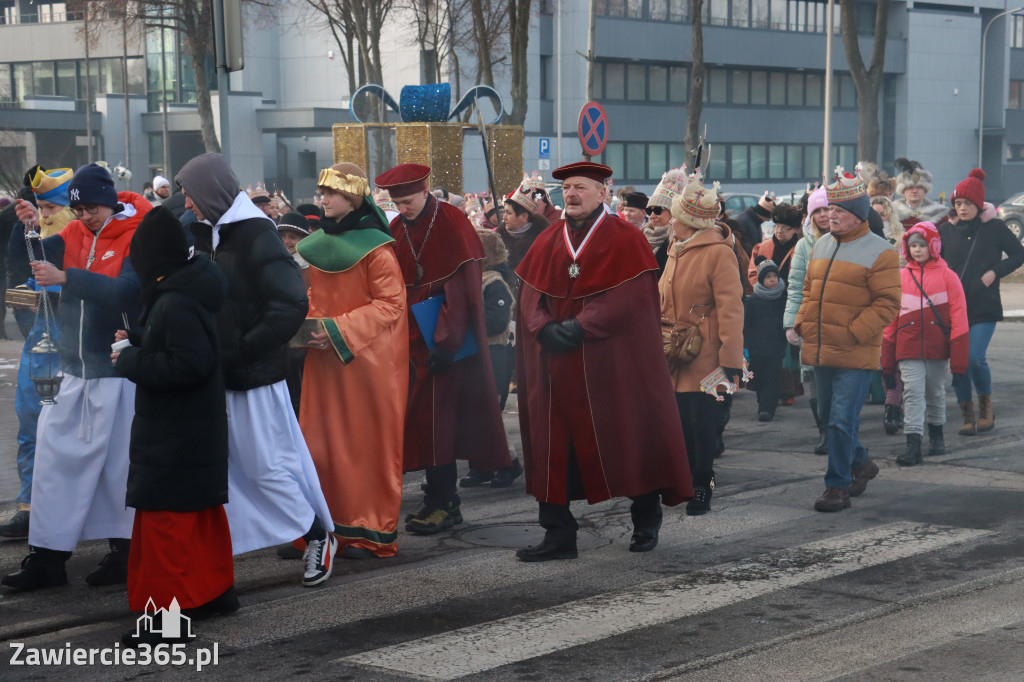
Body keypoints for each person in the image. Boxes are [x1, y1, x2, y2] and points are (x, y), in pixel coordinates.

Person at [514, 161, 692, 561]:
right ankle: (558, 533)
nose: (572, 194)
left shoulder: (627, 238)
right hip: (555, 365)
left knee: (626, 439)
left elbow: (628, 299)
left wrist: (579, 327)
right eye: (567, 189)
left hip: (608, 365)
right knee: (551, 447)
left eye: (580, 187)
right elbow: (529, 294)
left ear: (602, 194)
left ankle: (646, 516)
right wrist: (542, 327)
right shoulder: (546, 240)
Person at [175, 153, 336, 587]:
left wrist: (245, 349)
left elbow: (290, 304)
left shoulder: (256, 234)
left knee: (267, 465)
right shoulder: (200, 233)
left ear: (210, 193)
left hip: (253, 375)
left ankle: (316, 534)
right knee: (224, 467)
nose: (186, 203)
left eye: (190, 194)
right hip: (213, 373)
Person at [1, 163, 150, 591]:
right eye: (79, 209)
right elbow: (32, 257)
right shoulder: (72, 234)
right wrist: (25, 227)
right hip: (74, 367)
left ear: (110, 199)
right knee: (53, 462)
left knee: (118, 470)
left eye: (92, 208)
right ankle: (47, 558)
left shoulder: (139, 234)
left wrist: (69, 278)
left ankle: (124, 553)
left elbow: (127, 290)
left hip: (117, 370)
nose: (85, 216)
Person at [113, 207, 237, 646]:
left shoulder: (174, 299)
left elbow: (190, 364)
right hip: (194, 431)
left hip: (172, 434)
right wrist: (142, 342)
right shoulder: (188, 287)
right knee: (200, 518)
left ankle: (164, 621)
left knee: (165, 526)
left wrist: (132, 359)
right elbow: (188, 347)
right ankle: (213, 591)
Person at [376, 163, 512, 534]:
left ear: (425, 192)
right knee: (420, 423)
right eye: (397, 203)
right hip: (408, 339)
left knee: (440, 423)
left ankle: (444, 502)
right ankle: (438, 496)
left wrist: (447, 342)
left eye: (408, 201)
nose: (403, 209)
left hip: (443, 342)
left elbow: (459, 290)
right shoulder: (397, 228)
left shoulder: (450, 222)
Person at [295, 162, 408, 560]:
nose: (322, 199)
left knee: (362, 446)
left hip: (366, 362)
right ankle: (320, 532)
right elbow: (313, 297)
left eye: (331, 193)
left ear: (352, 198)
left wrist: (338, 330)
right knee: (319, 443)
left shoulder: (377, 249)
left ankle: (365, 530)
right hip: (324, 360)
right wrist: (303, 324)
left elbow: (391, 305)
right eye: (321, 192)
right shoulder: (316, 242)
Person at [793, 167, 900, 512]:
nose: (830, 216)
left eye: (838, 211)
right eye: (828, 210)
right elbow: (809, 289)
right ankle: (862, 463)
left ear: (857, 214)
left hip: (855, 353)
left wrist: (854, 331)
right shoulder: (821, 245)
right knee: (828, 418)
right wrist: (802, 321)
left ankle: (836, 486)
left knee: (841, 420)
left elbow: (888, 304)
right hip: (821, 347)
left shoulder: (881, 251)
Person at [659, 172, 744, 515]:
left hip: (707, 355)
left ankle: (702, 486)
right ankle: (681, 481)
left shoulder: (719, 253)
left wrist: (731, 359)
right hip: (674, 352)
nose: (669, 222)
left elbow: (731, 309)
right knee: (678, 424)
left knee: (703, 426)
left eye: (675, 217)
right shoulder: (674, 249)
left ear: (688, 222)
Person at [0, 168, 74, 539]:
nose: (44, 215)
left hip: (77, 342)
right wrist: (27, 316)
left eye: (51, 207)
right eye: (40, 207)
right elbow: (15, 274)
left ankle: (76, 505)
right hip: (40, 338)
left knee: (72, 427)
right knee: (30, 423)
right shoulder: (27, 231)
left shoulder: (81, 235)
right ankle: (29, 507)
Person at [939, 169, 1024, 435]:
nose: (962, 208)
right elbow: (933, 261)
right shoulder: (945, 230)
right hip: (953, 308)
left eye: (967, 204)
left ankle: (986, 407)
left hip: (984, 305)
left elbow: (1018, 254)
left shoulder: (995, 227)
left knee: (975, 358)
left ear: (978, 204)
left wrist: (995, 272)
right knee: (959, 363)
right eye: (958, 204)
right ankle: (966, 413)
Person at [881, 222, 968, 466]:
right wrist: (887, 365)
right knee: (912, 393)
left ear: (934, 245)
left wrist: (959, 365)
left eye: (922, 245)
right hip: (907, 346)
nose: (917, 250)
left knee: (935, 392)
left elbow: (960, 320)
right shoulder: (900, 278)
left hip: (936, 346)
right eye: (913, 246)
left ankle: (937, 434)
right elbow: (891, 322)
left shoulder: (948, 277)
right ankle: (913, 444)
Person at [784, 187, 829, 455]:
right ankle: (823, 430)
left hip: (839, 320)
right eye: (818, 211)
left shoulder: (845, 239)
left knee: (837, 377)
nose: (823, 215)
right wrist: (791, 323)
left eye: (827, 209)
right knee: (812, 375)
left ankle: (839, 429)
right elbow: (796, 285)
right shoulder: (803, 245)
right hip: (811, 320)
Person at [745, 256, 788, 422]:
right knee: (760, 377)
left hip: (776, 346)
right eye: (768, 277)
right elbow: (746, 324)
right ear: (761, 280)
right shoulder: (753, 301)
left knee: (773, 377)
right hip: (757, 347)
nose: (773, 280)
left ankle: (767, 409)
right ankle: (762, 402)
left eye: (775, 276)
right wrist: (746, 344)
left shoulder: (783, 299)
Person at [497, 183, 550, 292]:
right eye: (504, 212)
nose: (504, 217)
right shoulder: (497, 239)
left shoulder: (545, 238)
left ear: (524, 217)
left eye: (508, 213)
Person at [644, 169, 683, 275]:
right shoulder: (640, 237)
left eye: (658, 210)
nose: (652, 216)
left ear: (672, 212)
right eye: (649, 210)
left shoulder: (680, 243)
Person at [891, 158, 947, 231]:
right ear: (902, 191)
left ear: (926, 190)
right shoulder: (890, 212)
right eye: (910, 187)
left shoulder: (939, 214)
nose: (914, 191)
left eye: (919, 187)